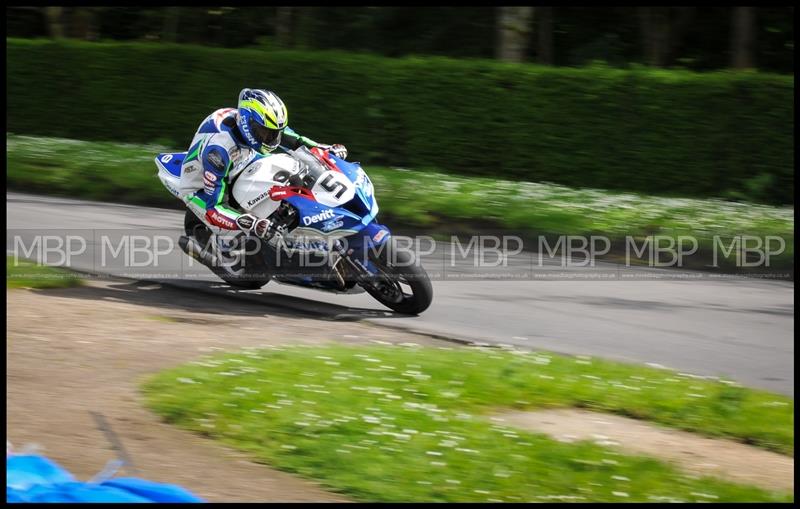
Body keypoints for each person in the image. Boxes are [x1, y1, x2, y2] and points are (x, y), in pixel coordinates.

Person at [177, 88, 348, 240]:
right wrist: (250, 223)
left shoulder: (252, 124)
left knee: (291, 171)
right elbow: (214, 208)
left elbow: (294, 140)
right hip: (201, 187)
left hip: (242, 161)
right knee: (244, 226)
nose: (271, 139)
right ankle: (230, 245)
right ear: (247, 124)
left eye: (275, 133)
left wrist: (323, 148)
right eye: (266, 133)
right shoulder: (218, 152)